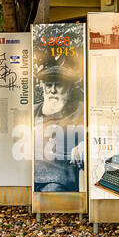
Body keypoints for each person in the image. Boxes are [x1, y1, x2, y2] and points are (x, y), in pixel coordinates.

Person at [33, 61, 84, 192]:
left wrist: (85, 144)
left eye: (58, 85)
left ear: (68, 88)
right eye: (49, 85)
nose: (53, 90)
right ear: (43, 87)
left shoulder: (80, 110)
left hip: (59, 179)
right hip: (29, 175)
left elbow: (99, 133)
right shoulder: (33, 110)